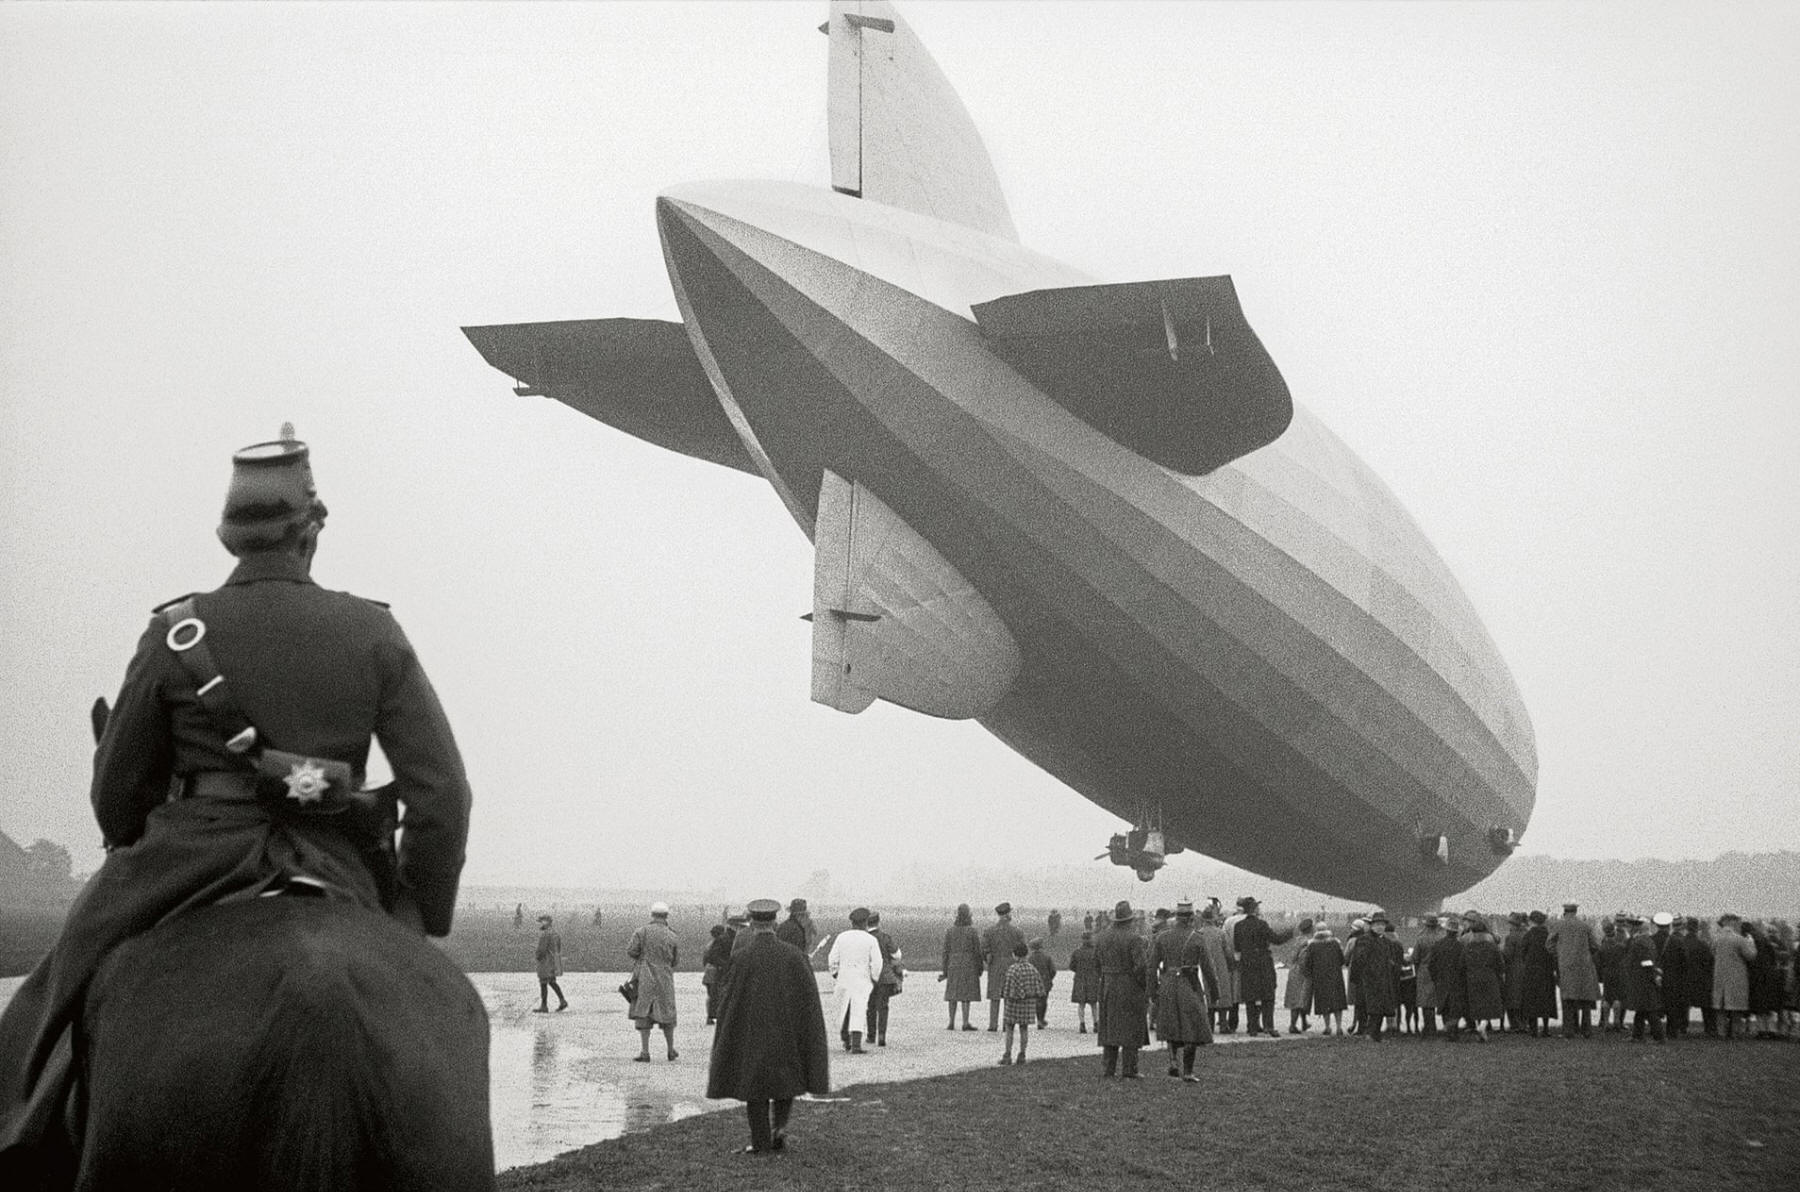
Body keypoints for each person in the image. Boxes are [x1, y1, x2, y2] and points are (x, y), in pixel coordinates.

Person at [0, 432, 473, 1173]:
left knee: (49, 1001)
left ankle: (24, 1137)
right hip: (338, 865)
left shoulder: (174, 632)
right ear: (311, 531)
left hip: (186, 862)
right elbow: (442, 795)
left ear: (229, 536)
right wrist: (422, 913)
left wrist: (138, 829)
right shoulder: (373, 630)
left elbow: (117, 798)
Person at [706, 898, 830, 1156]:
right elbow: (808, 997)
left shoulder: (741, 957)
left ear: (752, 924)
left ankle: (760, 1141)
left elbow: (729, 999)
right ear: (774, 923)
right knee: (785, 1081)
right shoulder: (794, 955)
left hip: (752, 1031)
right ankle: (779, 1129)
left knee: (755, 1086)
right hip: (786, 1030)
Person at [1150, 900, 1215, 1080]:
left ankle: (1173, 1061)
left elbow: (1151, 967)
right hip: (1189, 983)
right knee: (1192, 1026)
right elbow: (1208, 969)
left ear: (1176, 918)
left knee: (1171, 1022)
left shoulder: (1162, 937)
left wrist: (1152, 990)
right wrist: (1214, 991)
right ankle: (1188, 1071)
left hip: (1168, 983)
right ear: (1191, 918)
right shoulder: (1197, 938)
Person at [1095, 900, 1151, 1078]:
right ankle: (1130, 1069)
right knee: (1130, 1026)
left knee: (1109, 1026)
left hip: (1107, 985)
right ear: (1130, 920)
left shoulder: (1102, 937)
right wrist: (1144, 986)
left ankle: (1108, 1068)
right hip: (1129, 986)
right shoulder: (1134, 938)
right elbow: (1141, 966)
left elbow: (1096, 962)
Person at [1230, 897, 1296, 1036]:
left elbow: (1237, 946)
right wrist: (1290, 933)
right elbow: (1276, 940)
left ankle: (1252, 1027)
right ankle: (1268, 1026)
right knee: (1268, 995)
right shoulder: (1262, 924)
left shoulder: (1239, 926)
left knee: (1250, 996)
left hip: (1247, 963)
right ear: (1254, 909)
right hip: (1263, 962)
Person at [628, 902, 680, 1061]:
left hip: (645, 976)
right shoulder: (672, 935)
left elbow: (631, 951)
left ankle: (645, 1052)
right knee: (667, 1013)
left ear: (652, 915)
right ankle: (670, 1050)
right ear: (666, 916)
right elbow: (675, 960)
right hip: (665, 978)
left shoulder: (641, 931)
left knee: (643, 1012)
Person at [827, 907, 882, 1054]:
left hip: (844, 978)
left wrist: (835, 973)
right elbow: (877, 962)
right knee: (859, 1010)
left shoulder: (842, 937)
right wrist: (874, 977)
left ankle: (846, 1040)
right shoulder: (870, 940)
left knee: (844, 1009)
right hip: (862, 979)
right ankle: (856, 1044)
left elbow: (832, 958)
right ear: (865, 922)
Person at [1545, 901, 1600, 1038]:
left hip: (1566, 966)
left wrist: (1560, 954)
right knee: (1585, 999)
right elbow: (1595, 945)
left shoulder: (1558, 925)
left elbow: (1549, 944)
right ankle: (1586, 1030)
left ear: (1565, 911)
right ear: (1576, 911)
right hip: (1584, 966)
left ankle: (1569, 1031)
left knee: (1567, 999)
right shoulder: (1585, 926)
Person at [1346, 912, 1402, 1042]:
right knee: (1373, 1007)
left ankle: (1375, 1034)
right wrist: (1360, 977)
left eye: (1382, 924)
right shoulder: (1364, 940)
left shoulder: (1386, 941)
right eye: (1377, 924)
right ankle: (1371, 1033)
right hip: (1369, 980)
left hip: (1383, 979)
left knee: (1381, 1007)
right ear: (1372, 926)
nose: (1380, 927)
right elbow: (1359, 960)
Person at [1620, 914, 1666, 1042]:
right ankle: (1637, 1035)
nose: (1632, 927)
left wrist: (1651, 975)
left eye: (1635, 925)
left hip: (1642, 979)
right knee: (1641, 1009)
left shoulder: (1640, 942)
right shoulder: (1647, 940)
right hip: (1644, 979)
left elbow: (1647, 962)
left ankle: (1659, 1037)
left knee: (1648, 1010)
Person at [1460, 912, 1505, 1039]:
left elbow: (1461, 964)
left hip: (1472, 977)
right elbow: (1500, 963)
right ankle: (1484, 1025)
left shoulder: (1467, 945)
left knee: (1476, 1004)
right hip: (1489, 977)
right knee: (1489, 1003)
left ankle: (1478, 1024)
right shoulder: (1491, 945)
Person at [998, 943, 1045, 1065]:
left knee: (1009, 1028)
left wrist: (1006, 996)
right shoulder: (1032, 969)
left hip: (1014, 1003)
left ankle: (1007, 1055)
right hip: (1028, 1003)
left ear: (1015, 955)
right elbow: (1040, 988)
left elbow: (1007, 989)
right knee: (1024, 1029)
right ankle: (1022, 1054)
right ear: (1026, 954)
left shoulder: (1013, 969)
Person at [1711, 914, 1757, 1039]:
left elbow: (1713, 953)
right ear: (1733, 923)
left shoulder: (1716, 939)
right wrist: (1751, 943)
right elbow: (1751, 956)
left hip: (1720, 976)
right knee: (1736, 1008)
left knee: (1720, 1007)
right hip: (1736, 977)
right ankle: (1735, 1032)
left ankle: (1721, 1032)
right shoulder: (1739, 939)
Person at [1195, 906, 1239, 1035]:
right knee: (1222, 995)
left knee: (1208, 996)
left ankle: (1209, 1025)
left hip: (1204, 969)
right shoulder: (1220, 933)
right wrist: (1232, 966)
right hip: (1221, 967)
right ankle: (1223, 1024)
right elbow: (1228, 953)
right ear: (1213, 919)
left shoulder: (1198, 934)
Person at [939, 903, 984, 1030]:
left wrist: (945, 970)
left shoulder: (950, 931)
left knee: (952, 995)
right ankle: (965, 1022)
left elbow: (945, 952)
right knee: (966, 995)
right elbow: (977, 951)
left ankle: (951, 1022)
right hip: (969, 965)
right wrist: (980, 967)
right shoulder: (972, 931)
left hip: (953, 965)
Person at [981, 902, 1025, 1031]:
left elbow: (983, 949)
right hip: (1011, 964)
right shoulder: (1017, 931)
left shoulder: (989, 931)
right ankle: (1007, 1024)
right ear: (1007, 914)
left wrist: (987, 958)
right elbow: (1022, 949)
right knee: (1008, 996)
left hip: (995, 965)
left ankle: (993, 1025)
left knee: (995, 997)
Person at [1427, 916, 1469, 1041]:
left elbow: (1431, 965)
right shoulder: (1461, 947)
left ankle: (1448, 1032)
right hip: (1457, 981)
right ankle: (1453, 1031)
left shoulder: (1438, 945)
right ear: (1456, 932)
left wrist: (1435, 978)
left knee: (1444, 1007)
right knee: (1455, 1007)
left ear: (1446, 930)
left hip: (1441, 980)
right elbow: (1464, 965)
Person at [1302, 923, 1348, 1036]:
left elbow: (1308, 963)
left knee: (1324, 1002)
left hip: (1320, 977)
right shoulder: (1335, 943)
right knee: (1338, 1002)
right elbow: (1342, 960)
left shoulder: (1312, 945)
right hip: (1336, 976)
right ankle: (1339, 1027)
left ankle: (1327, 1027)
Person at [1518, 910, 1558, 1036]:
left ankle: (1533, 1029)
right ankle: (1545, 1029)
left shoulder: (1528, 935)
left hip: (1531, 971)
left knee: (1531, 1000)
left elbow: (1522, 952)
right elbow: (1553, 952)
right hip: (1546, 970)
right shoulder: (1548, 935)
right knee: (1546, 999)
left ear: (1532, 921)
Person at [864, 911, 900, 1047]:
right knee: (883, 1006)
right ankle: (882, 1035)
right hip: (885, 977)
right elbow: (897, 955)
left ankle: (871, 1035)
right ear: (878, 922)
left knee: (870, 1006)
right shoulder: (885, 937)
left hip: (869, 976)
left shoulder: (865, 938)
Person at [1596, 918, 1628, 1032]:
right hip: (1618, 973)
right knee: (1617, 998)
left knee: (1606, 998)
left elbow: (1599, 962)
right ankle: (1617, 1021)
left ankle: (1605, 1022)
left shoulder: (1602, 947)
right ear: (1614, 931)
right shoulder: (1620, 947)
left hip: (1606, 974)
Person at [1501, 911, 1530, 1033]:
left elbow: (1507, 955)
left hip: (1513, 970)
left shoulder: (1511, 937)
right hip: (1526, 968)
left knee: (1513, 997)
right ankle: (1524, 1023)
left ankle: (1516, 1024)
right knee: (1523, 997)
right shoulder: (1527, 934)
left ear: (1513, 924)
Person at [1283, 925, 1314, 1035]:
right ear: (1310, 929)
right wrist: (1309, 971)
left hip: (1293, 970)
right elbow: (1303, 959)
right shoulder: (1307, 943)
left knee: (1298, 998)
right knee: (1300, 999)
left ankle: (1304, 1022)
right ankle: (1293, 1025)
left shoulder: (1296, 941)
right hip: (1301, 973)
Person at [1068, 930, 1100, 1033]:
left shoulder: (1077, 952)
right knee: (1094, 1004)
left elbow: (1072, 966)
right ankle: (1096, 1023)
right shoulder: (1096, 952)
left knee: (1081, 1004)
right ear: (1091, 939)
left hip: (1080, 979)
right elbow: (1100, 965)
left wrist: (1079, 971)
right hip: (1093, 979)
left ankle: (1082, 1024)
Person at [535, 914, 568, 1013]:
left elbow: (541, 950)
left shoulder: (545, 934)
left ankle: (544, 1005)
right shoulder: (555, 933)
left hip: (545, 961)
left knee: (543, 982)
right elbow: (558, 948)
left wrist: (538, 956)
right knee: (552, 981)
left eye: (542, 921)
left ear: (546, 922)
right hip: (553, 961)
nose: (541, 923)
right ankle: (562, 1000)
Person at [703, 923, 734, 1025]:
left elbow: (705, 959)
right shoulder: (720, 943)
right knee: (717, 994)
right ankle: (717, 1014)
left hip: (708, 973)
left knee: (711, 995)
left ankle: (710, 1016)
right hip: (716, 972)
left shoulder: (709, 945)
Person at [1026, 937, 1057, 1028]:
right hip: (1045, 982)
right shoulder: (1047, 957)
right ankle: (1041, 1019)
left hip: (1033, 983)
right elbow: (1053, 970)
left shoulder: (1030, 958)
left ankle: (1039, 1019)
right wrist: (1049, 978)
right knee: (1043, 1001)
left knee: (1037, 1001)